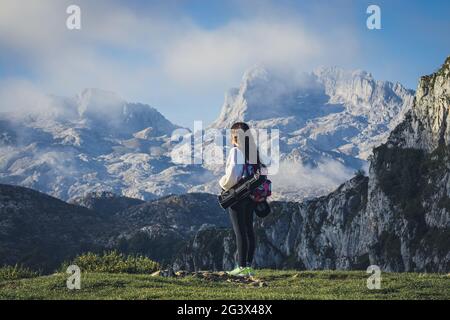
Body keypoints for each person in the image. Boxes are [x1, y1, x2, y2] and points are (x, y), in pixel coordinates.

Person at [219, 122, 264, 277]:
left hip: (238, 195)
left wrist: (222, 183)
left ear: (234, 137)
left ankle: (241, 266)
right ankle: (249, 266)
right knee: (249, 230)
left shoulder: (236, 152)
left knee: (239, 232)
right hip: (251, 196)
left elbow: (233, 176)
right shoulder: (253, 152)